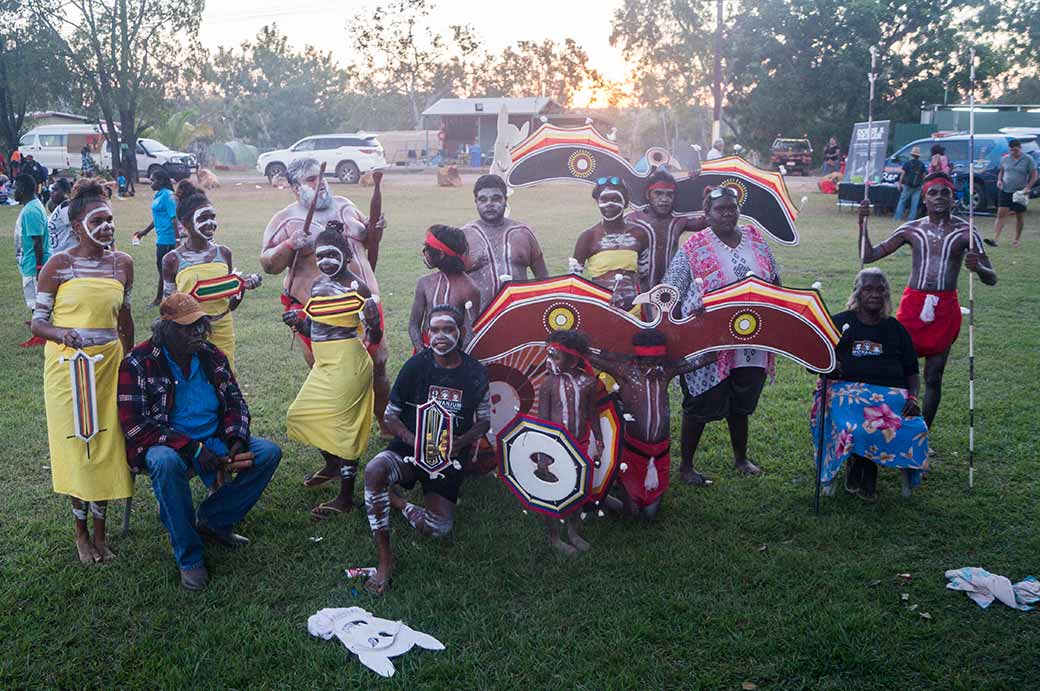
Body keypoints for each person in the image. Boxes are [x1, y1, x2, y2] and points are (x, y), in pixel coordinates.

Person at [117, 293, 282, 590]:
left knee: (267, 453)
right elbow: (135, 425)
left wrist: (236, 438)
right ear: (165, 329)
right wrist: (192, 447)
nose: (196, 333)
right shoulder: (139, 361)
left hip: (213, 438)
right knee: (164, 463)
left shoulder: (211, 355)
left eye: (199, 326)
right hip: (167, 444)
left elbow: (235, 403)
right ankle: (190, 557)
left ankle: (212, 519)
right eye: (186, 328)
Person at [30, 179, 135, 564]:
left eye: (110, 219)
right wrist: (62, 333)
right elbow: (37, 323)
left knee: (107, 446)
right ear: (77, 226)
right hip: (67, 370)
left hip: (110, 367)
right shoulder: (58, 265)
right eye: (99, 220)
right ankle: (80, 534)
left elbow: (125, 320)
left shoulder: (122, 263)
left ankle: (102, 534)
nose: (108, 226)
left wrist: (133, 361)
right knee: (78, 446)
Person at [363, 305, 490, 595]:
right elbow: (391, 416)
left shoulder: (475, 373)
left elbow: (484, 422)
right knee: (374, 470)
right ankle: (385, 558)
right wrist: (412, 440)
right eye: (434, 329)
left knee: (438, 529)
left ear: (461, 333)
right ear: (426, 333)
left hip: (446, 457)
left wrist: (460, 441)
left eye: (448, 329)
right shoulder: (415, 367)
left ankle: (398, 503)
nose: (441, 336)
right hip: (410, 446)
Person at [260, 157, 391, 435]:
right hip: (320, 314)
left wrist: (374, 230)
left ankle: (385, 424)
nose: (320, 184)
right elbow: (268, 264)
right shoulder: (284, 219)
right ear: (295, 187)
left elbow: (368, 241)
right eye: (310, 180)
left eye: (322, 178)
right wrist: (290, 243)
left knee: (378, 365)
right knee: (328, 375)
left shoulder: (345, 205)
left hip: (364, 303)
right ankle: (337, 435)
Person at [663, 185, 781, 485]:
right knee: (700, 403)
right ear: (707, 215)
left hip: (751, 338)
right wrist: (677, 329)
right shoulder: (694, 247)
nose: (727, 213)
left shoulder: (755, 238)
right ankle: (686, 466)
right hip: (709, 340)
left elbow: (776, 279)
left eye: (732, 207)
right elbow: (672, 288)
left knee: (742, 400)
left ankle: (741, 458)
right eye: (720, 209)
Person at [859, 172, 996, 431]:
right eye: (933, 193)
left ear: (954, 198)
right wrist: (862, 224)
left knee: (934, 375)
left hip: (945, 308)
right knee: (896, 369)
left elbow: (992, 278)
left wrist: (979, 268)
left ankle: (922, 433)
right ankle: (893, 427)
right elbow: (869, 255)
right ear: (924, 198)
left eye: (945, 192)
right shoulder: (912, 229)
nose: (940, 197)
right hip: (913, 307)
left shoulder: (966, 232)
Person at [283, 226, 382, 519]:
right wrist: (296, 321)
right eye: (320, 256)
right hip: (323, 364)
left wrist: (365, 341)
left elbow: (374, 334)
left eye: (332, 255)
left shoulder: (359, 290)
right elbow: (315, 329)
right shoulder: (317, 286)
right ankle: (333, 464)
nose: (325, 262)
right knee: (299, 414)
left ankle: (345, 498)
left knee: (344, 429)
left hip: (349, 364)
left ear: (347, 255)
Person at [813, 268, 930, 501]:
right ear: (857, 292)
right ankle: (863, 469)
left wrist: (913, 398)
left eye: (880, 289)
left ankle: (863, 468)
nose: (875, 294)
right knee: (856, 426)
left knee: (914, 427)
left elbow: (912, 370)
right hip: (846, 393)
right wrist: (831, 367)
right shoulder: (840, 323)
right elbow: (816, 361)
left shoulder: (895, 329)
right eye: (868, 289)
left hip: (891, 396)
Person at [589, 329, 712, 518]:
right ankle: (602, 497)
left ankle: (630, 493)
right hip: (633, 451)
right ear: (637, 357)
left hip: (659, 452)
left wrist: (724, 342)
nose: (652, 366)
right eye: (647, 361)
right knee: (632, 515)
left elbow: (704, 359)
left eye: (656, 361)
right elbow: (591, 356)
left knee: (649, 516)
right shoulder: (625, 371)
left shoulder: (666, 371)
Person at [161, 180, 261, 371]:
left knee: (225, 381)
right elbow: (168, 308)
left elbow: (230, 303)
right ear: (184, 223)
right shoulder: (172, 260)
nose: (211, 223)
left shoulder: (224, 253)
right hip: (190, 334)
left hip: (223, 328)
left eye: (213, 216)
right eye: (203, 218)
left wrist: (242, 287)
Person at [536, 330, 602, 553]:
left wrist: (599, 441)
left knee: (578, 488)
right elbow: (543, 420)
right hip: (555, 447)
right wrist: (543, 454)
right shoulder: (548, 385)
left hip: (580, 444)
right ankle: (554, 537)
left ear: (573, 359)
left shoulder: (588, 382)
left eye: (555, 356)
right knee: (552, 491)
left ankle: (574, 531)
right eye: (549, 354)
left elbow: (592, 413)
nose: (549, 360)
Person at [461, 174, 548, 310]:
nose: (489, 204)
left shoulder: (523, 233)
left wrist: (534, 305)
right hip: (477, 321)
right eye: (483, 200)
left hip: (518, 315)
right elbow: (452, 283)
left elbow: (543, 278)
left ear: (505, 200)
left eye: (496, 199)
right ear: (476, 202)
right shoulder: (464, 236)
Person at [571, 176, 651, 313]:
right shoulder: (588, 237)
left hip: (633, 310)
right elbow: (573, 281)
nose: (609, 204)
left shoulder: (640, 234)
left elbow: (645, 277)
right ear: (597, 202)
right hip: (600, 310)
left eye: (615, 199)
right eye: (604, 200)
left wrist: (648, 312)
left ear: (625, 203)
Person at [625, 168, 709, 286]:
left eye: (669, 194)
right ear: (648, 195)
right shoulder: (632, 220)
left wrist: (701, 185)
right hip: (638, 289)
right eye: (658, 193)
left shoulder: (677, 221)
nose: (664, 199)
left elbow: (710, 221)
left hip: (669, 288)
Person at [408, 224, 480, 352]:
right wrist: (422, 352)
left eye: (427, 248)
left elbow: (470, 333)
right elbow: (414, 324)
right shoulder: (424, 283)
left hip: (455, 354)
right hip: (425, 350)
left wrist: (455, 360)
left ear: (440, 254)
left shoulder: (469, 289)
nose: (424, 252)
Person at [14, 173, 51, 346]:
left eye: (15, 187)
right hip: (29, 262)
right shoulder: (32, 206)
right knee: (34, 298)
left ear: (22, 189)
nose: (13, 191)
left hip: (33, 264)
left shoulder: (31, 210)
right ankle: (38, 324)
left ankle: (41, 334)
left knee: (36, 299)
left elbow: (38, 242)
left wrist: (38, 268)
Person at [133, 168, 178, 306]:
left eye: (153, 180)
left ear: (162, 181)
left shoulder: (168, 195)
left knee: (165, 270)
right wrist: (144, 232)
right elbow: (158, 218)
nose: (151, 183)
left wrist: (177, 240)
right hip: (161, 238)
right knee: (162, 269)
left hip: (168, 239)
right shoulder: (159, 194)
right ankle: (165, 297)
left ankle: (161, 299)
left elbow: (174, 218)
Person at [988, 139, 1036, 248]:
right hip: (1005, 190)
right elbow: (1002, 171)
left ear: (1020, 148)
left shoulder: (1028, 159)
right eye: (1011, 150)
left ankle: (1016, 239)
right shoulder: (1005, 159)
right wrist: (999, 180)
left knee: (1019, 215)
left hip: (1020, 192)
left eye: (1016, 150)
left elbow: (1034, 174)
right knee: (1001, 214)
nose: (1013, 152)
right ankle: (994, 239)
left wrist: (1028, 187)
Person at [894, 146, 926, 222]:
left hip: (907, 185)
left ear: (912, 155)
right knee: (914, 204)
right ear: (919, 156)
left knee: (902, 201)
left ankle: (897, 218)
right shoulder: (921, 164)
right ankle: (911, 220)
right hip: (918, 186)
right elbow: (924, 176)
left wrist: (899, 183)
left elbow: (903, 174)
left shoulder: (907, 163)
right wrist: (922, 185)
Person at [47, 178, 76, 254]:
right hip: (58, 256)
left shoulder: (66, 208)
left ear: (65, 192)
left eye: (55, 190)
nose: (52, 193)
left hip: (66, 256)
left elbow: (77, 230)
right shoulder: (60, 207)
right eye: (52, 190)